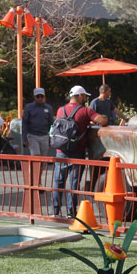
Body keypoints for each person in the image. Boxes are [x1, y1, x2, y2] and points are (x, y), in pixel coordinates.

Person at [51, 85, 108, 217]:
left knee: (58, 182)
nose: (85, 99)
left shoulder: (60, 110)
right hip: (77, 152)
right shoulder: (85, 111)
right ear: (79, 96)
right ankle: (71, 212)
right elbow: (103, 120)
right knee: (74, 183)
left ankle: (55, 211)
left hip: (61, 151)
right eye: (84, 96)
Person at [23, 87, 53, 156]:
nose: (40, 98)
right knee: (36, 157)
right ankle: (36, 167)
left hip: (45, 136)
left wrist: (51, 139)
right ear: (34, 97)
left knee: (44, 159)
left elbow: (51, 124)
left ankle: (43, 167)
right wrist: (24, 139)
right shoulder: (28, 107)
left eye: (41, 96)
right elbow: (24, 123)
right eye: (37, 96)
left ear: (44, 97)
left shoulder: (48, 108)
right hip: (32, 135)